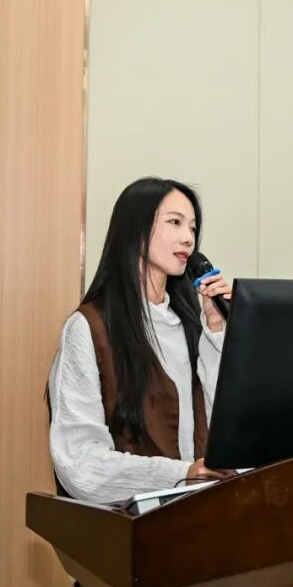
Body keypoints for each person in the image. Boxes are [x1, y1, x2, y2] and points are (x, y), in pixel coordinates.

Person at [47, 177, 234, 503]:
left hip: (203, 512)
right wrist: (181, 475)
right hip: (133, 521)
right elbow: (79, 463)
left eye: (192, 228)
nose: (188, 238)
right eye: (175, 222)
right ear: (137, 229)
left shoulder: (192, 326)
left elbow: (224, 427)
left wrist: (216, 331)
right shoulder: (90, 328)